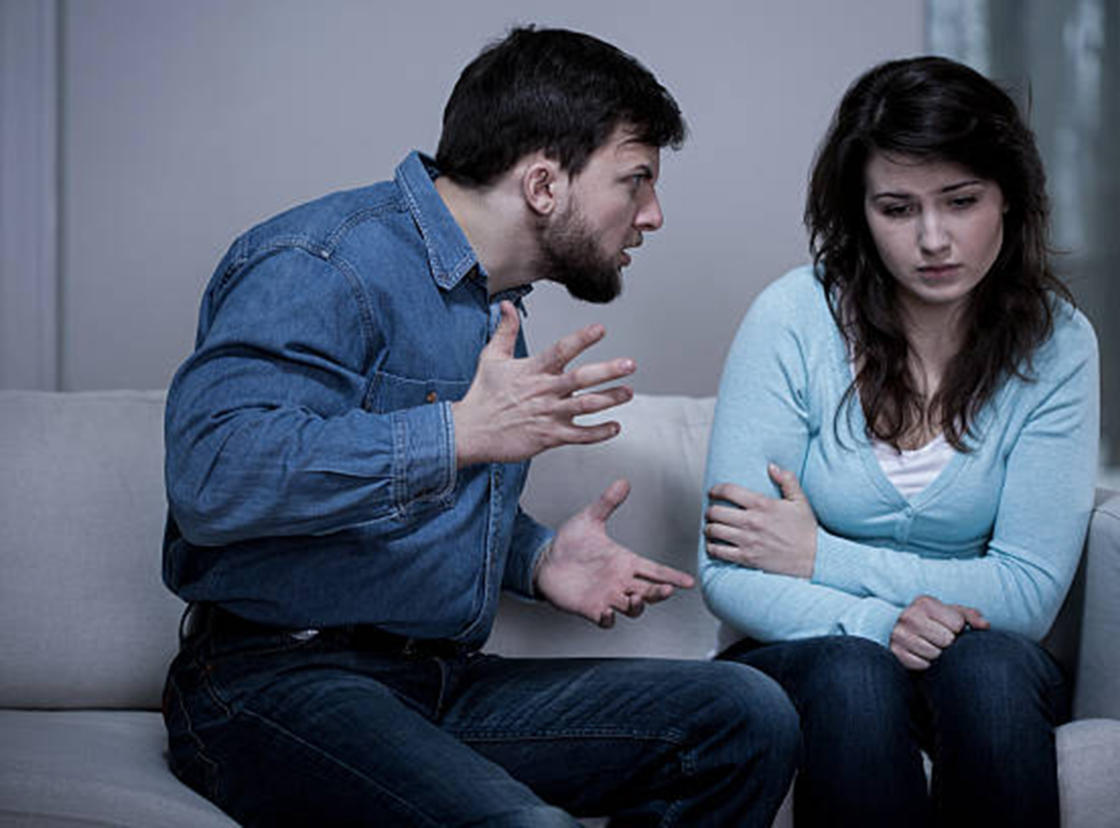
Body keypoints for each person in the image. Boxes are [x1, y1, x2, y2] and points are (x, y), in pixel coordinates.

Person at [162, 26, 799, 827]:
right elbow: (214, 476)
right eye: (635, 181)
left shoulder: (492, 310)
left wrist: (533, 558)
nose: (654, 215)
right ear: (542, 184)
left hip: (436, 682)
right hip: (270, 681)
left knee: (745, 714)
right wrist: (457, 434)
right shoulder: (324, 261)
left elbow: (404, 502)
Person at [699, 55, 1099, 826]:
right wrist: (884, 624)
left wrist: (822, 557)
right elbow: (732, 569)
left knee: (986, 667)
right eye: (897, 208)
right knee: (853, 674)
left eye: (962, 200)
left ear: (1008, 197)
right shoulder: (791, 320)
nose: (934, 238)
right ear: (859, 212)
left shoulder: (1058, 344)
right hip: (811, 650)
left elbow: (1027, 595)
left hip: (980, 657)